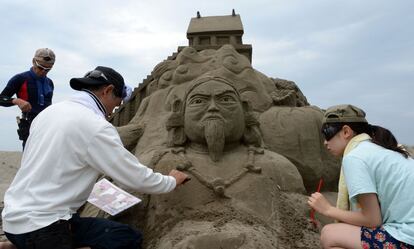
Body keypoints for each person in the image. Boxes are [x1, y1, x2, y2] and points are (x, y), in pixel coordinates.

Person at [0, 66, 189, 249]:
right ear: (108, 90)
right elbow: (134, 176)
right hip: (44, 227)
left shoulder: (48, 114)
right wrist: (171, 181)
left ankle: (20, 244)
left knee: (117, 232)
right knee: (127, 240)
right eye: (118, 102)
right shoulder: (94, 126)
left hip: (13, 220)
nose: (115, 109)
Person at [308, 104, 414, 249]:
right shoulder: (381, 149)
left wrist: (328, 209)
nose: (325, 142)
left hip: (408, 237)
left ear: (346, 132)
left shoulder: (355, 157)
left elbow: (372, 220)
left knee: (329, 234)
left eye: (327, 133)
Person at [0, 48, 56, 149]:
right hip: (29, 126)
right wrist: (16, 100)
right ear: (34, 61)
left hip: (47, 127)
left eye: (48, 69)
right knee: (29, 161)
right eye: (40, 67)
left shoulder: (50, 83)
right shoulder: (20, 79)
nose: (44, 71)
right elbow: (1, 98)